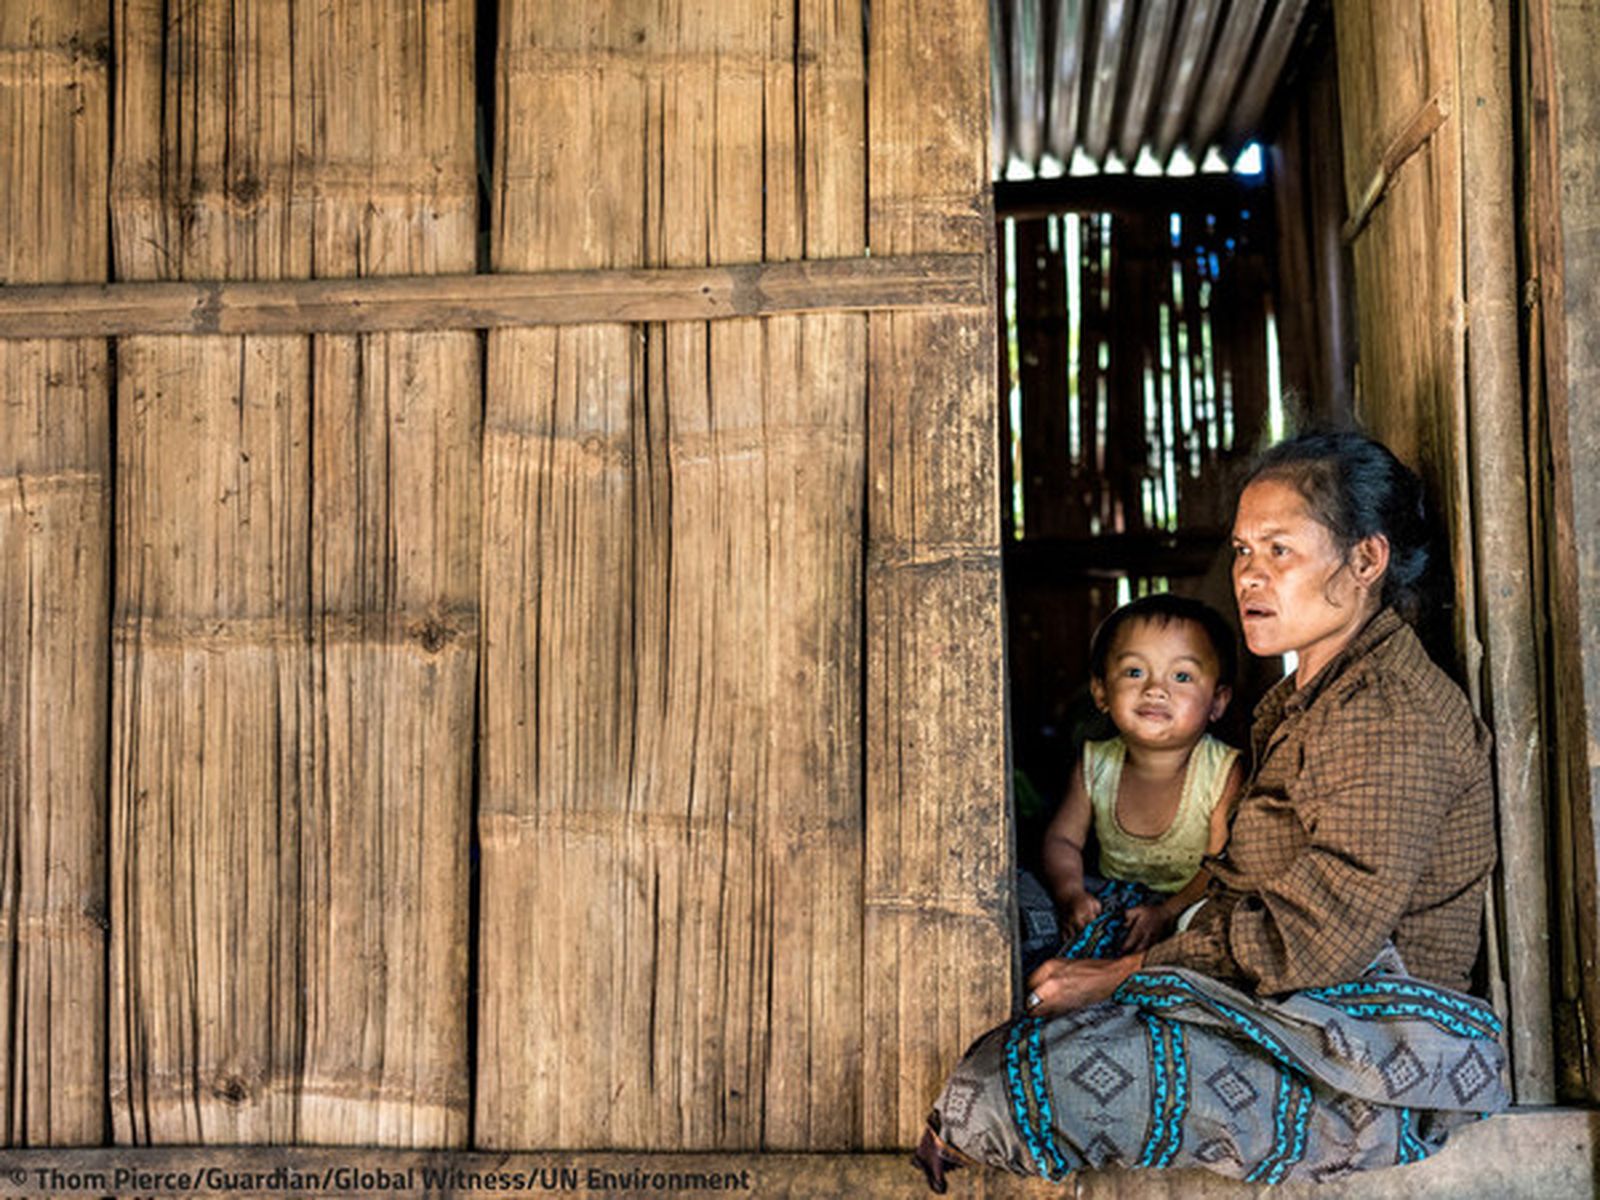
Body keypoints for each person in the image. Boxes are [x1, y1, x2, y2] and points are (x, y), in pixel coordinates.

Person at [913, 431, 1505, 1191]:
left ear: (1366, 561)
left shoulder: (1389, 716)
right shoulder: (1314, 696)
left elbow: (1313, 940)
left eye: (1280, 551)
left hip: (1355, 1045)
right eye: (1243, 551)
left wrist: (1123, 975)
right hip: (1269, 983)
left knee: (1010, 1082)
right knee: (1018, 916)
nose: (1250, 574)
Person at [1041, 594, 1244, 960]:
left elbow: (1221, 865)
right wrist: (1071, 893)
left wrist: (1166, 912)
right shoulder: (1095, 764)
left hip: (1192, 902)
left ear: (1218, 701)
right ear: (1101, 691)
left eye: (1182, 676)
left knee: (1221, 925)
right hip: (1115, 902)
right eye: (1135, 672)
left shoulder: (1222, 771)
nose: (1155, 690)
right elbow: (1062, 840)